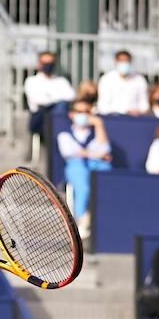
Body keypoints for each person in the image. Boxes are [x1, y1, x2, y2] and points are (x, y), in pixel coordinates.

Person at [56, 99, 110, 232]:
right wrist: (97, 155)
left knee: (107, 171)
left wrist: (99, 124)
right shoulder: (64, 134)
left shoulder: (96, 132)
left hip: (95, 165)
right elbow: (69, 152)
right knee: (83, 187)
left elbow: (105, 150)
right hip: (76, 166)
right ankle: (82, 221)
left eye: (87, 111)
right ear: (71, 114)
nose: (84, 115)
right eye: (79, 111)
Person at [23, 51, 75, 135]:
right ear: (39, 64)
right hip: (40, 118)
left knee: (62, 108)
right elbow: (39, 100)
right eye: (45, 63)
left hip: (59, 117)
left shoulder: (61, 81)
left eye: (50, 63)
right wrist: (59, 97)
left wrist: (49, 97)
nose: (48, 65)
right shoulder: (32, 81)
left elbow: (71, 96)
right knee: (59, 107)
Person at [96, 50, 148, 116]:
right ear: (116, 62)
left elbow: (144, 104)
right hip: (113, 118)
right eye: (121, 61)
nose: (124, 63)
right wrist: (125, 111)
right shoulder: (106, 79)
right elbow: (102, 106)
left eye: (126, 61)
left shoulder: (139, 79)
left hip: (136, 119)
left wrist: (139, 112)